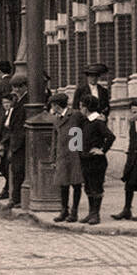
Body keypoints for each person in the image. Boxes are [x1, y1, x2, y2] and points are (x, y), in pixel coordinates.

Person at [78, 93, 116, 225]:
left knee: (96, 187)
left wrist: (102, 150)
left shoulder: (98, 122)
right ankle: (90, 212)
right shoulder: (84, 122)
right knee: (88, 186)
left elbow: (110, 137)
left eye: (81, 106)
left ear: (86, 108)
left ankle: (96, 214)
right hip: (86, 159)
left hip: (96, 161)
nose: (80, 109)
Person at [0, 79, 27, 208]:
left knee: (17, 170)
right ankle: (15, 197)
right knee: (11, 169)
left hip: (19, 142)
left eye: (19, 86)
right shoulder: (17, 101)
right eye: (14, 87)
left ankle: (16, 198)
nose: (16, 90)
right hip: (13, 141)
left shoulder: (24, 102)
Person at [51, 93, 85, 222]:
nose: (52, 108)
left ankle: (74, 212)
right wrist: (53, 158)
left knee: (76, 184)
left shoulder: (75, 115)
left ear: (57, 105)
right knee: (63, 184)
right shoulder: (56, 119)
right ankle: (64, 210)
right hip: (62, 155)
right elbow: (55, 139)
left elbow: (84, 130)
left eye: (53, 106)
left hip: (74, 153)